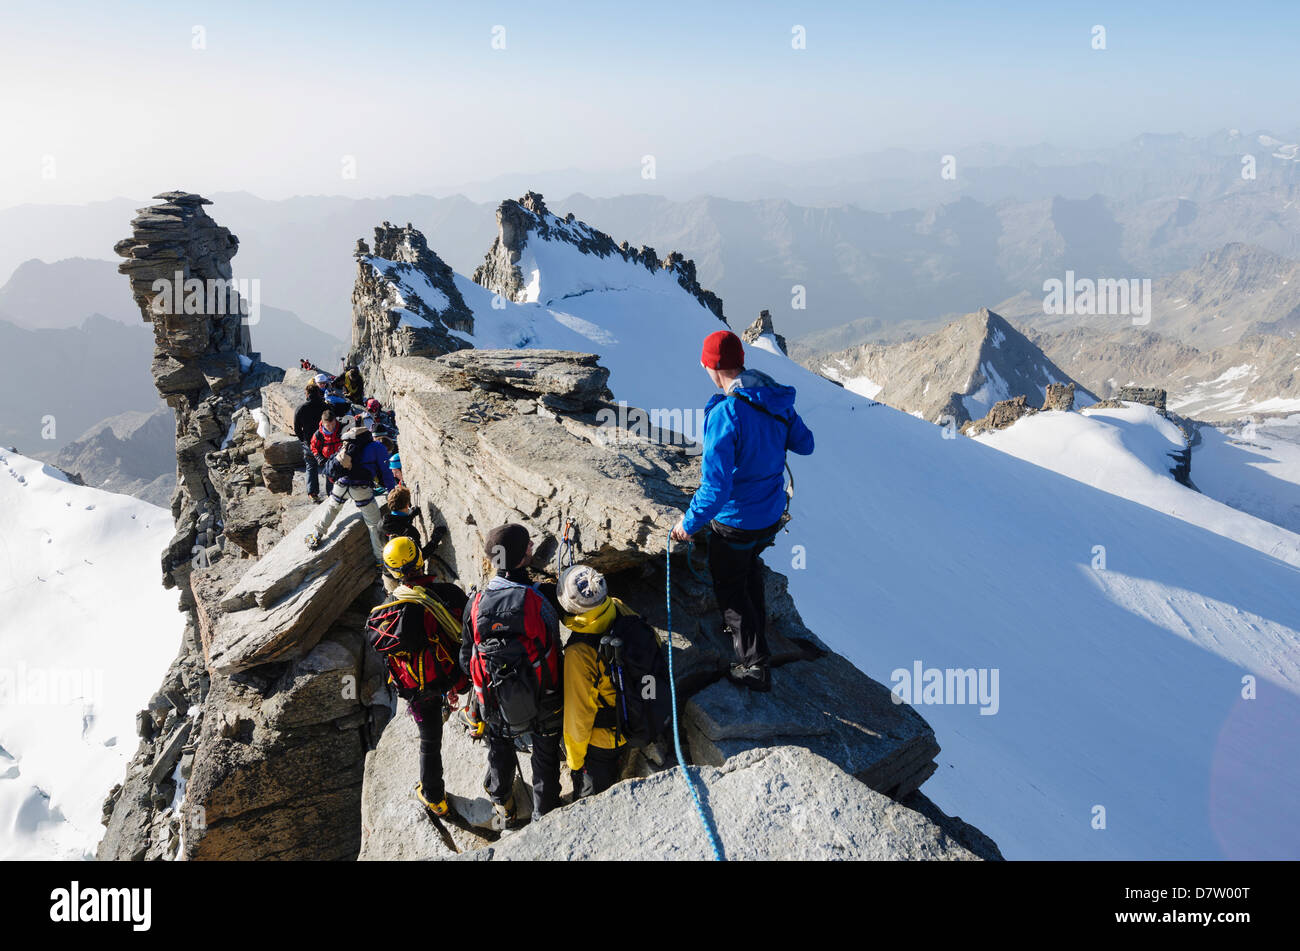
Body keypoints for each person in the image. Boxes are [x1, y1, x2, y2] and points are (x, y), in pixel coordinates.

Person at [671, 330, 814, 692]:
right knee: (748, 572)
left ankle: (753, 666)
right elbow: (805, 444)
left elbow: (715, 488)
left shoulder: (727, 412)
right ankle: (758, 636)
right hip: (770, 515)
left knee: (731, 589)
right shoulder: (773, 399)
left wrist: (688, 525)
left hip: (736, 522)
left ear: (713, 366)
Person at [460, 523, 563, 827]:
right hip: (546, 697)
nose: (533, 546)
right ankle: (545, 816)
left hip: (495, 699)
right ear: (523, 556)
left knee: (499, 747)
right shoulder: (542, 598)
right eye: (529, 544)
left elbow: (467, 658)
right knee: (544, 757)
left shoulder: (475, 603)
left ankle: (502, 800)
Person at [368, 537, 470, 818]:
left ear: (391, 571)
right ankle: (475, 716)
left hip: (417, 687)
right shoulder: (449, 593)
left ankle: (434, 798)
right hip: (457, 672)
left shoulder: (386, 610)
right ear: (419, 560)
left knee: (429, 742)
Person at [557, 564, 631, 798]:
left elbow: (579, 717)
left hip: (604, 742)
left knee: (592, 800)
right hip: (636, 715)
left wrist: (575, 763)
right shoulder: (617, 607)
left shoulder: (579, 653)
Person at [304, 425, 395, 565]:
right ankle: (380, 560)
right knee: (374, 524)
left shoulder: (350, 445)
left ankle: (316, 535)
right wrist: (392, 491)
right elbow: (386, 472)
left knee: (333, 508)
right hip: (361, 488)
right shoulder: (378, 447)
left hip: (341, 483)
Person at [293, 382, 328, 502]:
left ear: (307, 394)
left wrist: (303, 440)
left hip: (309, 442)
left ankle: (313, 493)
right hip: (325, 442)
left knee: (311, 466)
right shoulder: (325, 407)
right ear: (318, 393)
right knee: (328, 465)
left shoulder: (301, 408)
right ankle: (331, 493)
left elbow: (297, 428)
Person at [310, 410, 343, 497]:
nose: (331, 427)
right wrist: (319, 458)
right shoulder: (318, 434)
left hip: (342, 459)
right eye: (328, 425)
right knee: (330, 483)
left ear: (335, 420)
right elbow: (313, 447)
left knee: (344, 482)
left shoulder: (342, 428)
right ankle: (330, 498)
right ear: (323, 423)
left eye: (333, 424)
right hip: (328, 462)